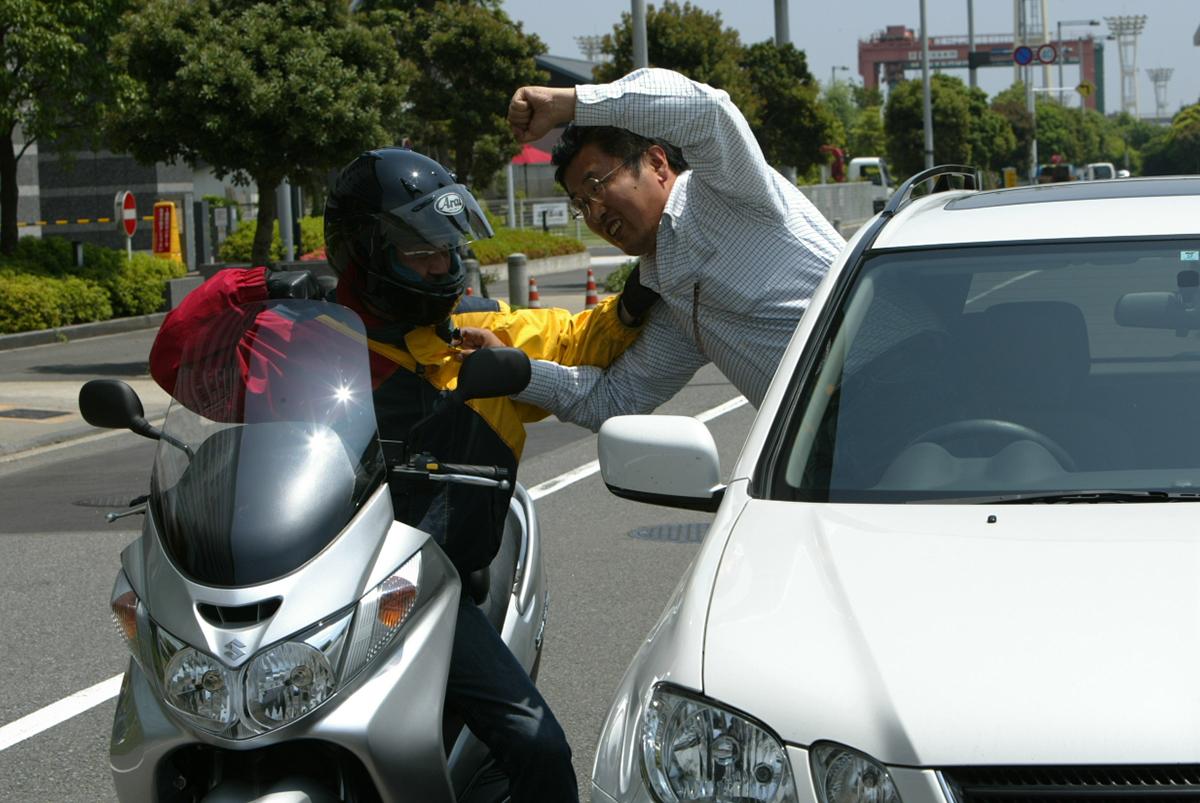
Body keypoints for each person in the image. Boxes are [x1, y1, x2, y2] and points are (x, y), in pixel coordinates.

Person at [149, 147, 655, 802]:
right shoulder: (293, 339)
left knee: (537, 743)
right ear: (364, 250)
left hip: (426, 587)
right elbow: (178, 356)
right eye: (421, 251)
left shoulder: (476, 335)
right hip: (310, 583)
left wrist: (649, 284)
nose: (440, 266)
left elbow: (589, 334)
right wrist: (262, 284)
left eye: (446, 250)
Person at [467, 68, 846, 431]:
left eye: (596, 185)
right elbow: (614, 399)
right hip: (834, 465)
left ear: (656, 162)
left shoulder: (728, 191)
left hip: (896, 388)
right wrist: (514, 368)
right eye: (580, 204)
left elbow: (706, 111)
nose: (594, 211)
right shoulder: (673, 297)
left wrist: (571, 103)